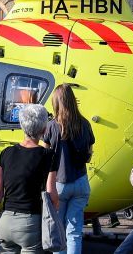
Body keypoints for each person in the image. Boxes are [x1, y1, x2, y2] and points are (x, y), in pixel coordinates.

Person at [0, 103, 57, 254]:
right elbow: (52, 195)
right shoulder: (48, 155)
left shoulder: (6, 153)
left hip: (5, 223)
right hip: (31, 223)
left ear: (21, 125)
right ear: (44, 129)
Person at [42, 83, 95, 254]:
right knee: (74, 232)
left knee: (59, 231)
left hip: (59, 184)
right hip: (81, 182)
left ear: (56, 102)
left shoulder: (51, 126)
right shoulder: (85, 124)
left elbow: (44, 156)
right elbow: (89, 153)